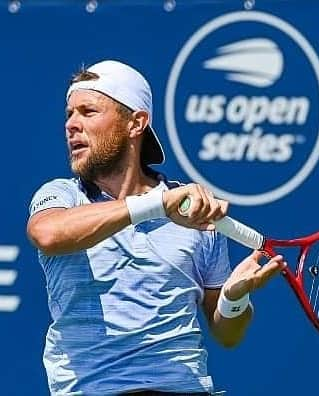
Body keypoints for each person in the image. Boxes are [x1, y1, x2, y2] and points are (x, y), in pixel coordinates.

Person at [27, 60, 286, 396]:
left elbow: (227, 335)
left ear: (136, 123)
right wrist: (157, 206)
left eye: (88, 112)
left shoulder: (196, 215)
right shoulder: (61, 195)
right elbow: (48, 234)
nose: (71, 125)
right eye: (69, 114)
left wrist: (234, 299)